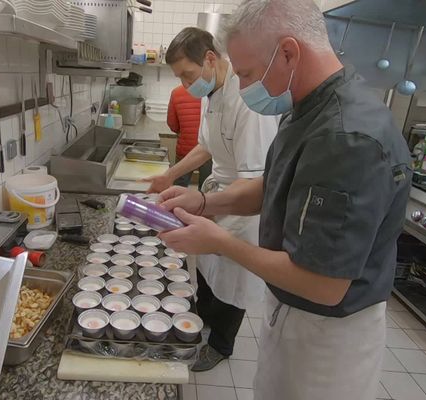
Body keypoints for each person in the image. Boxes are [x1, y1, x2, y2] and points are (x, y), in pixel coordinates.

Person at [156, 1, 412, 399]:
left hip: (327, 335)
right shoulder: (308, 108)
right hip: (295, 313)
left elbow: (324, 285)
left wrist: (219, 241)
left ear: (289, 52)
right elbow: (271, 186)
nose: (242, 88)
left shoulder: (345, 138)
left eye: (247, 74)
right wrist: (204, 203)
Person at [146, 27, 280, 372]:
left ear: (209, 58)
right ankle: (204, 318)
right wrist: (170, 175)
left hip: (244, 204)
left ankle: (221, 344)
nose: (187, 86)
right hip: (219, 192)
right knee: (208, 267)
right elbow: (205, 146)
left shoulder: (249, 100)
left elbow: (255, 180)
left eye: (188, 75)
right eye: (180, 79)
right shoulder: (213, 93)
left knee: (232, 278)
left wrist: (205, 204)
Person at [166, 85, 211, 188]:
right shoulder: (211, 91)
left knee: (178, 187)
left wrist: (184, 131)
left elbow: (172, 124)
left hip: (185, 150)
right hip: (208, 151)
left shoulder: (176, 92)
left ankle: (176, 204)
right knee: (206, 190)